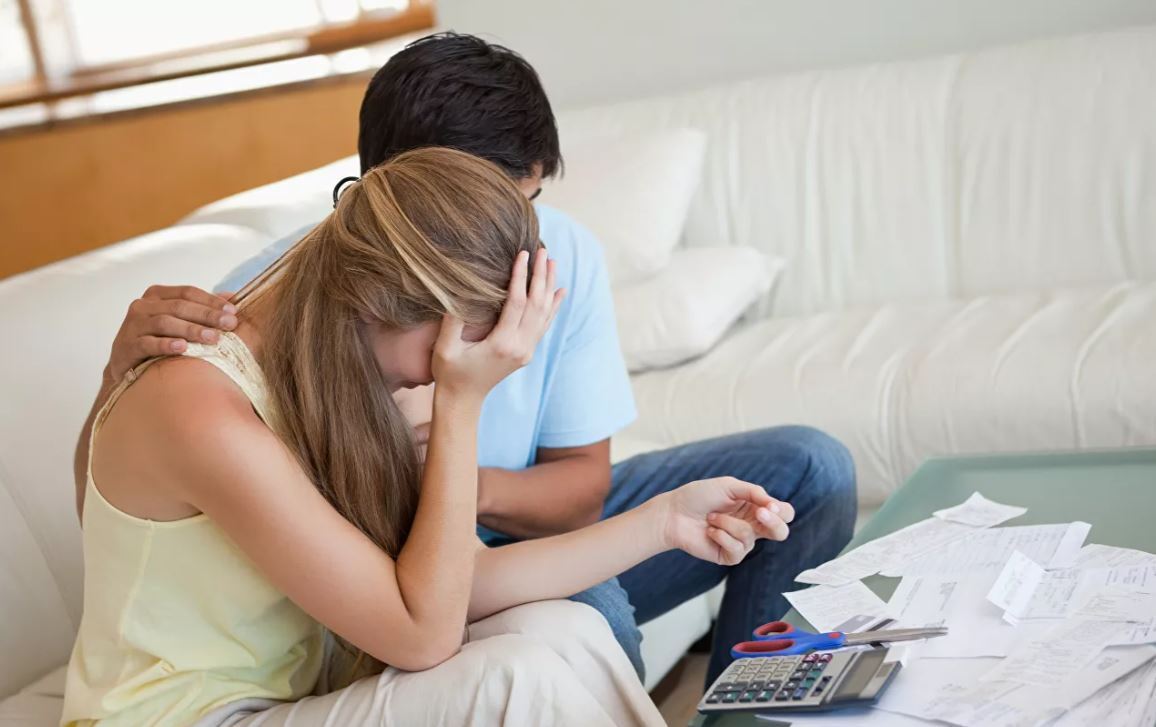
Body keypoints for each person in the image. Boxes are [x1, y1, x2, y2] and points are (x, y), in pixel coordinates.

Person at [75, 33, 857, 687]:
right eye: (484, 215)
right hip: (397, 567)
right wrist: (123, 379)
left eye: (526, 206)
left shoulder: (550, 258)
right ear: (402, 216)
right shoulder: (286, 319)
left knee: (808, 468)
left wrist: (460, 468)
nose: (518, 252)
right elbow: (134, 499)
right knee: (589, 614)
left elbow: (578, 491)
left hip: (482, 527)